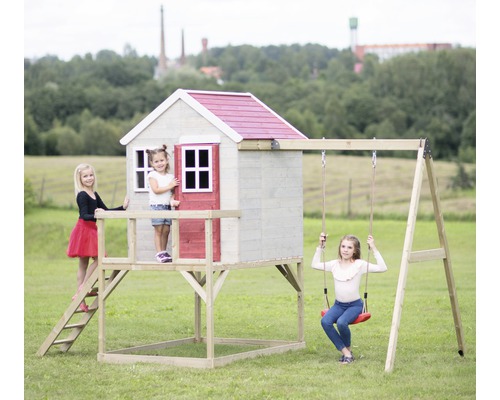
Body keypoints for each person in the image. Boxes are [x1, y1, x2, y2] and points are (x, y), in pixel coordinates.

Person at [311, 232, 388, 364]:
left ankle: (348, 353)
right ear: (340, 248)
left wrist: (373, 248)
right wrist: (320, 246)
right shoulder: (334, 264)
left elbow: (383, 268)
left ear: (355, 250)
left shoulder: (359, 265)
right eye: (343, 246)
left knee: (341, 323)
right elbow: (314, 264)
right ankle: (346, 352)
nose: (345, 250)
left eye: (349, 248)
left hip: (355, 305)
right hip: (338, 305)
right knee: (325, 321)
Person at [66, 163, 129, 312]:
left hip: (92, 230)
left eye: (91, 175)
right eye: (85, 176)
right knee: (94, 260)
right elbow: (84, 214)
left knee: (87, 263)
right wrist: (96, 213)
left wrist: (123, 207)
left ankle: (79, 297)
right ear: (80, 179)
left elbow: (105, 211)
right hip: (83, 230)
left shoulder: (94, 194)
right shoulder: (82, 194)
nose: (89, 178)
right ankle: (83, 287)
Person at [146, 145, 180, 263]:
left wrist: (172, 200)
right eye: (156, 161)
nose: (159, 163)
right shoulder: (152, 175)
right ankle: (159, 253)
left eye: (162, 160)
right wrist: (170, 185)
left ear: (166, 160)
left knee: (166, 230)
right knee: (158, 230)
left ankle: (164, 252)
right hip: (156, 206)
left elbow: (172, 193)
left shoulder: (170, 177)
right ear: (152, 163)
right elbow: (156, 190)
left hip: (167, 206)